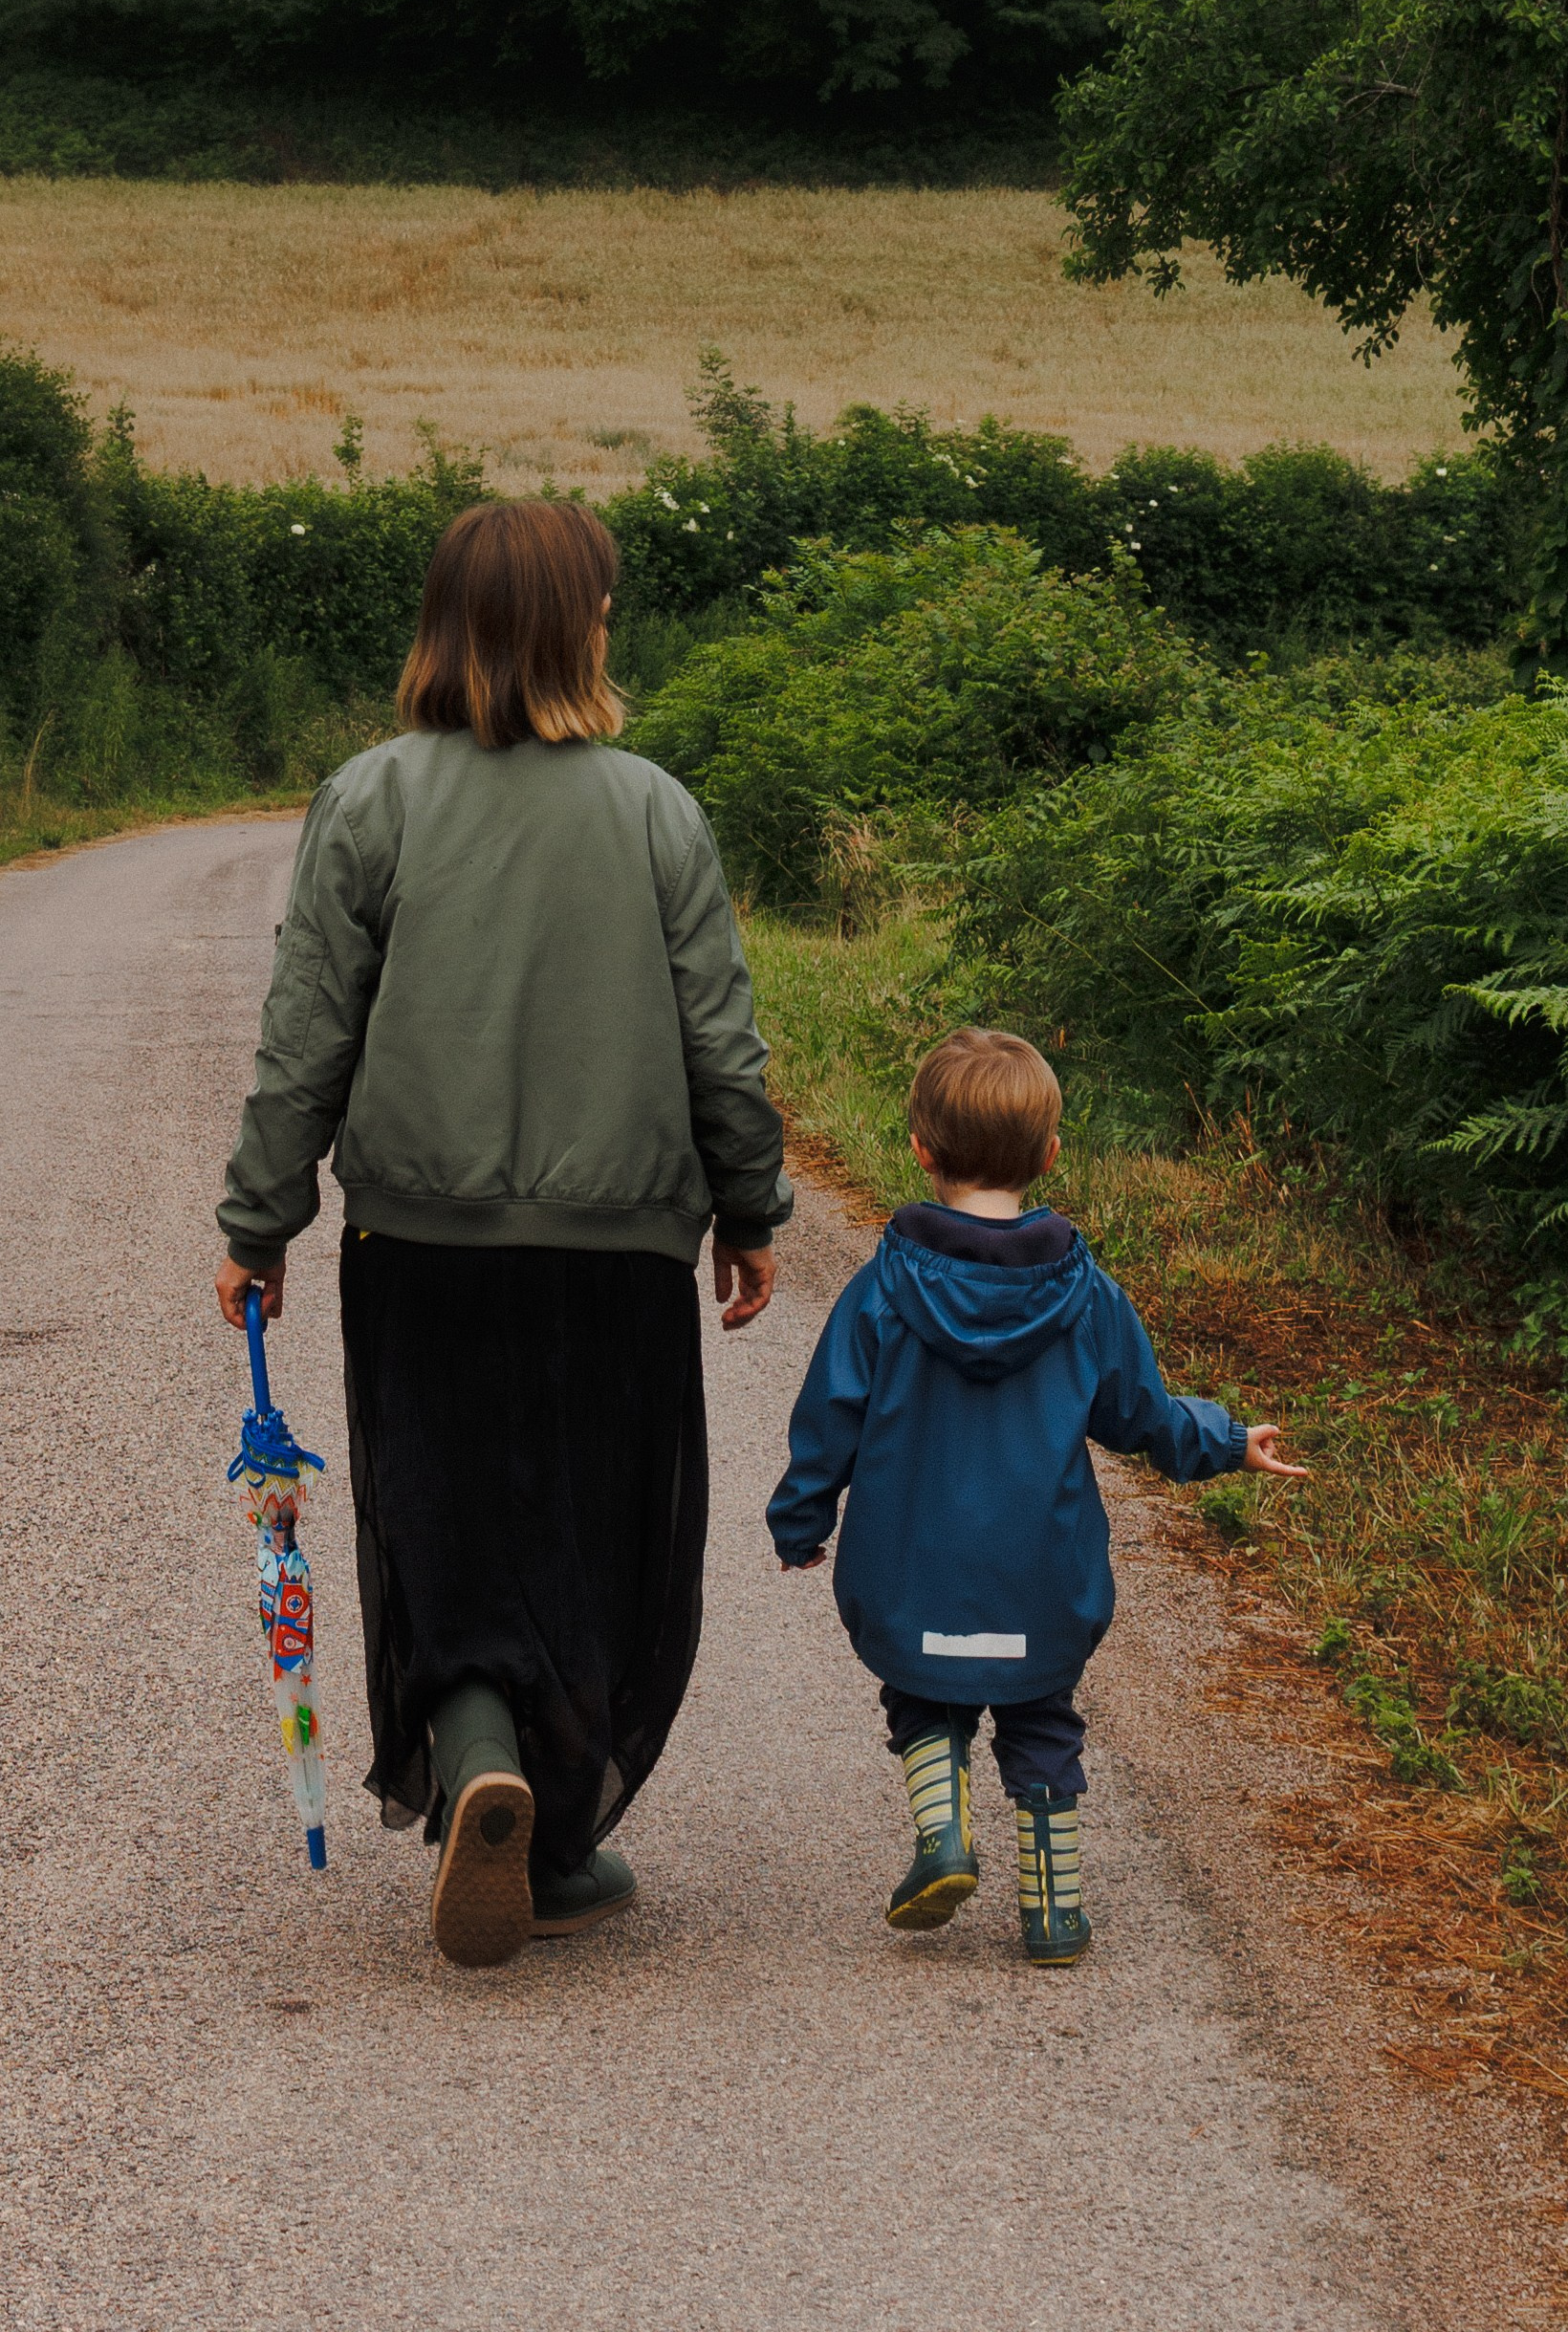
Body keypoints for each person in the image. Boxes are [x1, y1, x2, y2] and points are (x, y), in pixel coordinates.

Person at [215, 494, 790, 1970]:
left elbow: (304, 1038)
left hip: (421, 1249)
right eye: (601, 604)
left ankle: (478, 1756)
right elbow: (721, 1044)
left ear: (448, 626)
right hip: (620, 1254)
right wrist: (748, 1207)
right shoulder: (656, 809)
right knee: (595, 1534)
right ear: (575, 629)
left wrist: (261, 1220)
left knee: (445, 1517)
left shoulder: (371, 800)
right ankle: (563, 1840)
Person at [768, 1026, 1307, 1967]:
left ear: (921, 1150)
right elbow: (1138, 1411)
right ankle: (1054, 1911)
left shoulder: (883, 1290)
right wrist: (1226, 1440)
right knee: (1041, 1717)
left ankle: (944, 1835)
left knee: (924, 1697)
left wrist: (801, 1518)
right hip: (1041, 1570)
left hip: (914, 1567)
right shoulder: (1085, 1295)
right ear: (1051, 1155)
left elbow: (831, 1414)